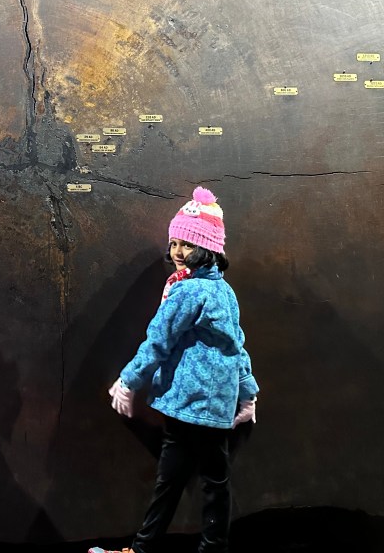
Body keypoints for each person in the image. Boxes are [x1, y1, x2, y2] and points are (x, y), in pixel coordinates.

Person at [90, 186, 259, 553]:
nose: (178, 252)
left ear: (207, 248)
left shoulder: (188, 291)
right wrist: (248, 393)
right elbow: (237, 346)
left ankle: (144, 548)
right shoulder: (224, 291)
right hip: (215, 407)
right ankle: (208, 549)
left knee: (171, 481)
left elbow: (158, 341)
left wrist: (128, 381)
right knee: (214, 482)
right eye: (175, 243)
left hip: (187, 404)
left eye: (188, 244)